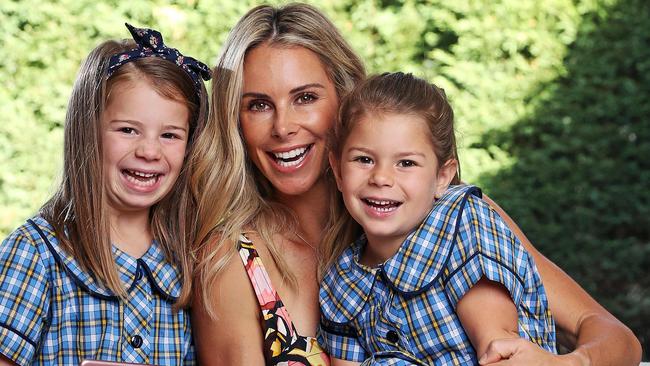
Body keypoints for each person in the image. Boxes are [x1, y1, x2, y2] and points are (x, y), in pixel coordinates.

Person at [190, 3, 641, 366]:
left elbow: (614, 337)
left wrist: (572, 363)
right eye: (258, 106)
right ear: (235, 121)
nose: (283, 126)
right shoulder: (232, 264)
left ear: (346, 102)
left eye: (306, 98)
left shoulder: (458, 218)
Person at [0, 23, 211, 365]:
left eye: (170, 135)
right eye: (128, 130)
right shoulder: (36, 255)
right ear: (89, 131)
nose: (149, 151)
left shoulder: (189, 260)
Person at [319, 72, 556, 365]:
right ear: (338, 170)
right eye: (364, 159)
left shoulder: (463, 225)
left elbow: (498, 350)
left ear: (443, 176)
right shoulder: (341, 283)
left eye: (406, 163)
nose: (381, 178)